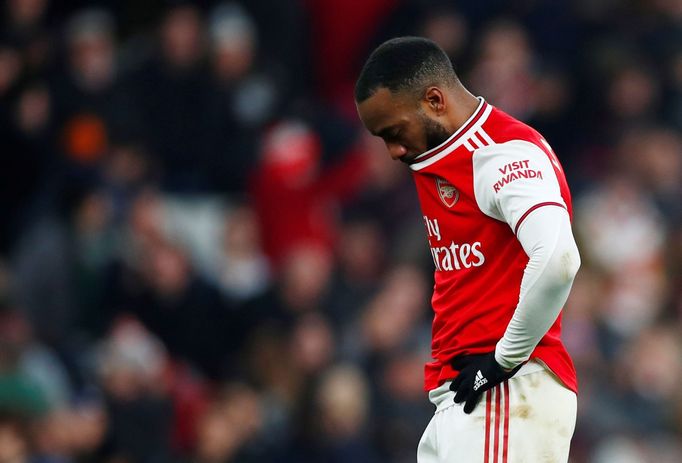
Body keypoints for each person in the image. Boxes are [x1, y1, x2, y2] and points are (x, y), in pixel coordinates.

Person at [355, 37, 581, 462]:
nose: (393, 152)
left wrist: (502, 362)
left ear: (435, 100)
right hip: (468, 395)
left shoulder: (501, 154)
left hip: (505, 394)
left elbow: (558, 260)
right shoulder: (447, 158)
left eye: (394, 132)